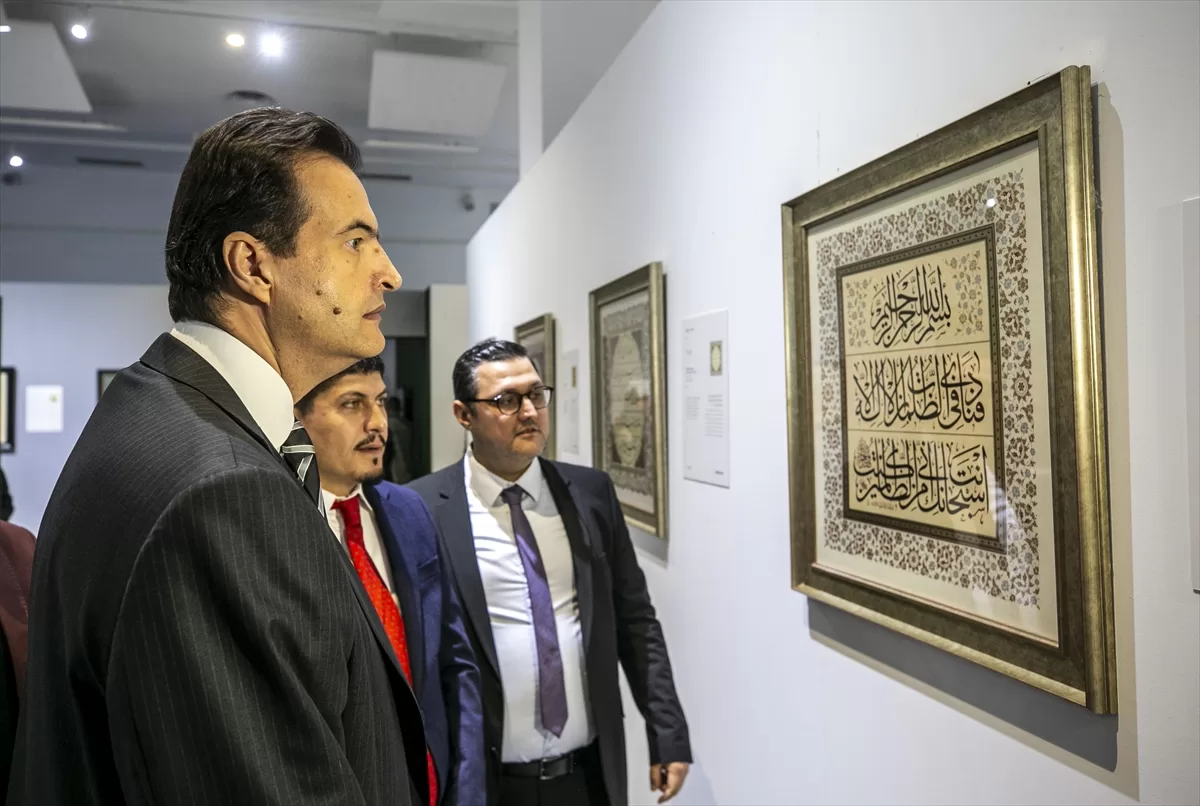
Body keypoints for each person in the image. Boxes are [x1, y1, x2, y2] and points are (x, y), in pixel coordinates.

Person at [8, 108, 428, 806]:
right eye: (356, 241)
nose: (389, 273)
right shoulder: (223, 491)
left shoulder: (156, 410)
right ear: (253, 265)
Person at [408, 338, 692, 806]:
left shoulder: (590, 493)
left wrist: (668, 732)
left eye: (536, 395)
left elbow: (635, 619)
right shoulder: (422, 507)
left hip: (587, 776)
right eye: (506, 400)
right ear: (464, 415)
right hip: (485, 781)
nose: (529, 412)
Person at [296, 355, 486, 806]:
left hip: (433, 782)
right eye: (352, 404)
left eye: (380, 402)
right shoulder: (285, 526)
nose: (378, 423)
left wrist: (468, 787)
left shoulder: (409, 509)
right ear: (297, 417)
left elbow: (455, 661)